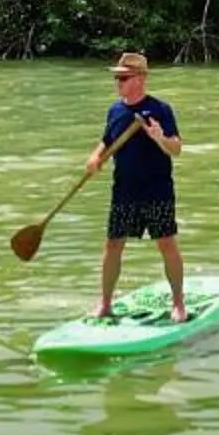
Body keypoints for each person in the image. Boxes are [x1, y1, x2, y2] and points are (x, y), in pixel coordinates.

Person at [91, 50, 185, 322]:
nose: (118, 82)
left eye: (123, 77)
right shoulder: (115, 110)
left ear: (141, 78)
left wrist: (159, 137)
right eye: (117, 78)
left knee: (166, 243)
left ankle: (178, 304)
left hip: (156, 189)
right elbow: (107, 140)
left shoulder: (160, 109)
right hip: (124, 190)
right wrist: (95, 156)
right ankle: (106, 303)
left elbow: (176, 149)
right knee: (113, 245)